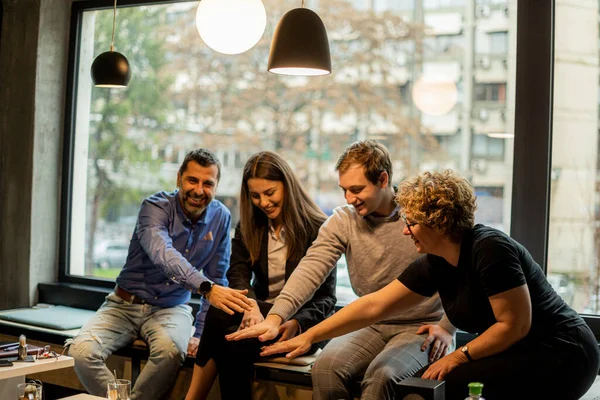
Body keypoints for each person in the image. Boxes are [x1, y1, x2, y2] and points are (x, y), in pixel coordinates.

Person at [260, 170, 600, 400]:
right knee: (442, 383)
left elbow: (514, 324)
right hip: (522, 349)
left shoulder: (490, 249)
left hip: (564, 352)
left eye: (412, 223)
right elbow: (374, 306)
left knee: (448, 381)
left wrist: (458, 356)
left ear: (437, 221)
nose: (407, 231)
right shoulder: (436, 262)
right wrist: (309, 335)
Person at [227, 140, 455, 400]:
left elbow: (460, 270)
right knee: (324, 369)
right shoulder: (343, 220)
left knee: (382, 376)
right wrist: (275, 318)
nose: (349, 198)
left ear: (383, 179)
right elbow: (311, 269)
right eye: (344, 190)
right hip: (369, 322)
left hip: (421, 327)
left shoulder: (417, 219)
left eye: (356, 189)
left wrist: (448, 326)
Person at [68, 149, 253, 400]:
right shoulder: (154, 207)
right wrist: (205, 288)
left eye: (208, 183)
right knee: (80, 352)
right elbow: (163, 254)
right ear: (179, 179)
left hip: (172, 309)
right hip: (123, 304)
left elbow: (218, 277)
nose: (199, 190)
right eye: (192, 180)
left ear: (216, 185)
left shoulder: (221, 217)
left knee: (170, 353)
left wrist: (200, 334)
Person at [184, 151, 336, 400]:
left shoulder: (318, 227)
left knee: (230, 337)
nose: (263, 202)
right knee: (223, 317)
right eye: (255, 196)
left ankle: (192, 398)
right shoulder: (249, 226)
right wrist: (249, 306)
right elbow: (238, 275)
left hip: (299, 321)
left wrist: (295, 323)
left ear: (287, 186)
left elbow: (326, 300)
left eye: (270, 193)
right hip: (257, 314)